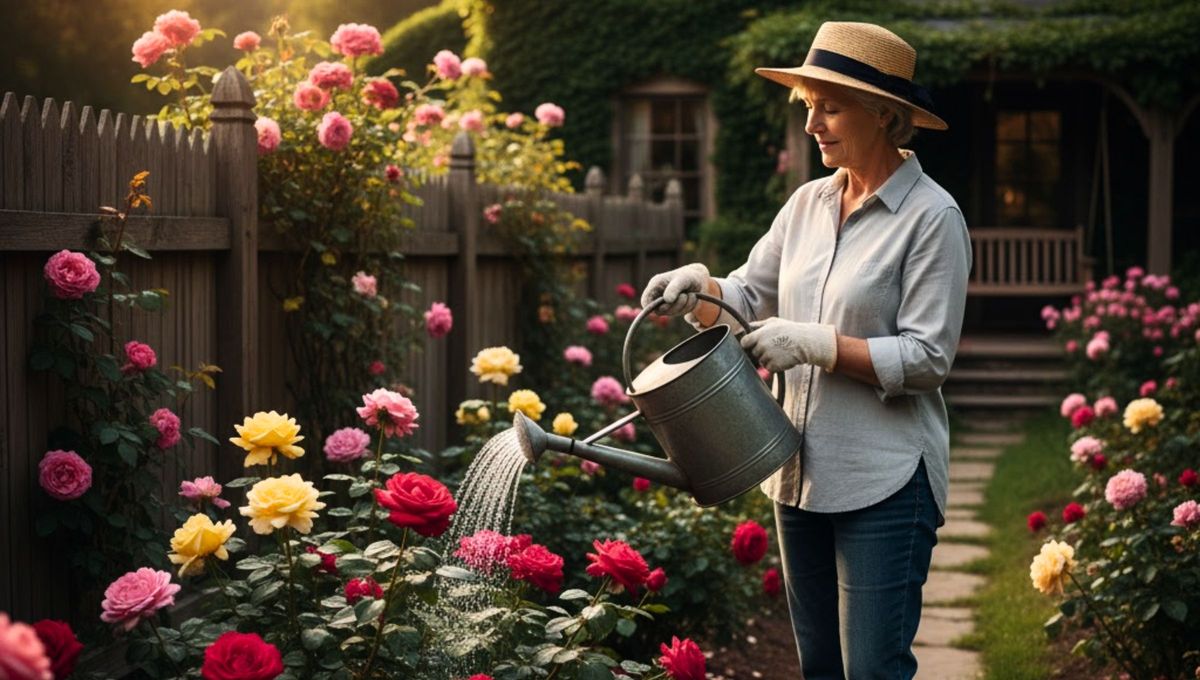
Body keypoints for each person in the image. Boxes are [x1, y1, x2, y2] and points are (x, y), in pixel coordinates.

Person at [639, 21, 971, 680]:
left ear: (884, 114)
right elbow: (748, 301)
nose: (812, 123)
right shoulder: (807, 204)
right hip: (798, 474)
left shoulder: (933, 218)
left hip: (887, 481)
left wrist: (819, 345)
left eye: (830, 106)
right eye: (808, 107)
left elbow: (929, 357)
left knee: (872, 670)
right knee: (819, 667)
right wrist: (697, 287)